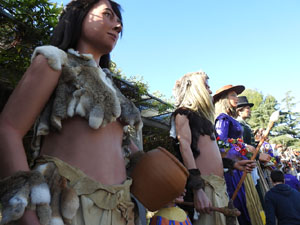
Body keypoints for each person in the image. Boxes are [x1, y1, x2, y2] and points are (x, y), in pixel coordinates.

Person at [0, 1, 143, 225]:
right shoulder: (55, 61)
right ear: (80, 15)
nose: (118, 27)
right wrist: (25, 211)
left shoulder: (112, 88)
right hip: (65, 211)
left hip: (121, 211)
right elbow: (8, 129)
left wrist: (164, 175)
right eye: (107, 15)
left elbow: (124, 147)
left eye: (118, 21)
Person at [170, 72, 255, 225]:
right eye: (206, 86)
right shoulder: (183, 114)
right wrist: (197, 189)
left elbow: (210, 153)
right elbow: (185, 149)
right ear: (195, 88)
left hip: (219, 187)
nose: (210, 91)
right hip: (204, 188)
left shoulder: (205, 119)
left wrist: (233, 164)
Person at [214, 85, 258, 225]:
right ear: (224, 99)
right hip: (232, 170)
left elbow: (230, 141)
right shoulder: (222, 118)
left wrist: (244, 149)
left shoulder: (230, 118)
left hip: (239, 167)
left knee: (246, 203)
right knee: (239, 203)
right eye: (233, 95)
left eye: (236, 95)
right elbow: (221, 143)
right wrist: (243, 148)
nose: (236, 98)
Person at [236, 96, 271, 208]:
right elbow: (241, 147)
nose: (250, 110)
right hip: (246, 165)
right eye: (247, 108)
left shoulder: (245, 125)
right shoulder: (239, 125)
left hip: (253, 164)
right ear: (239, 111)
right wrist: (258, 156)